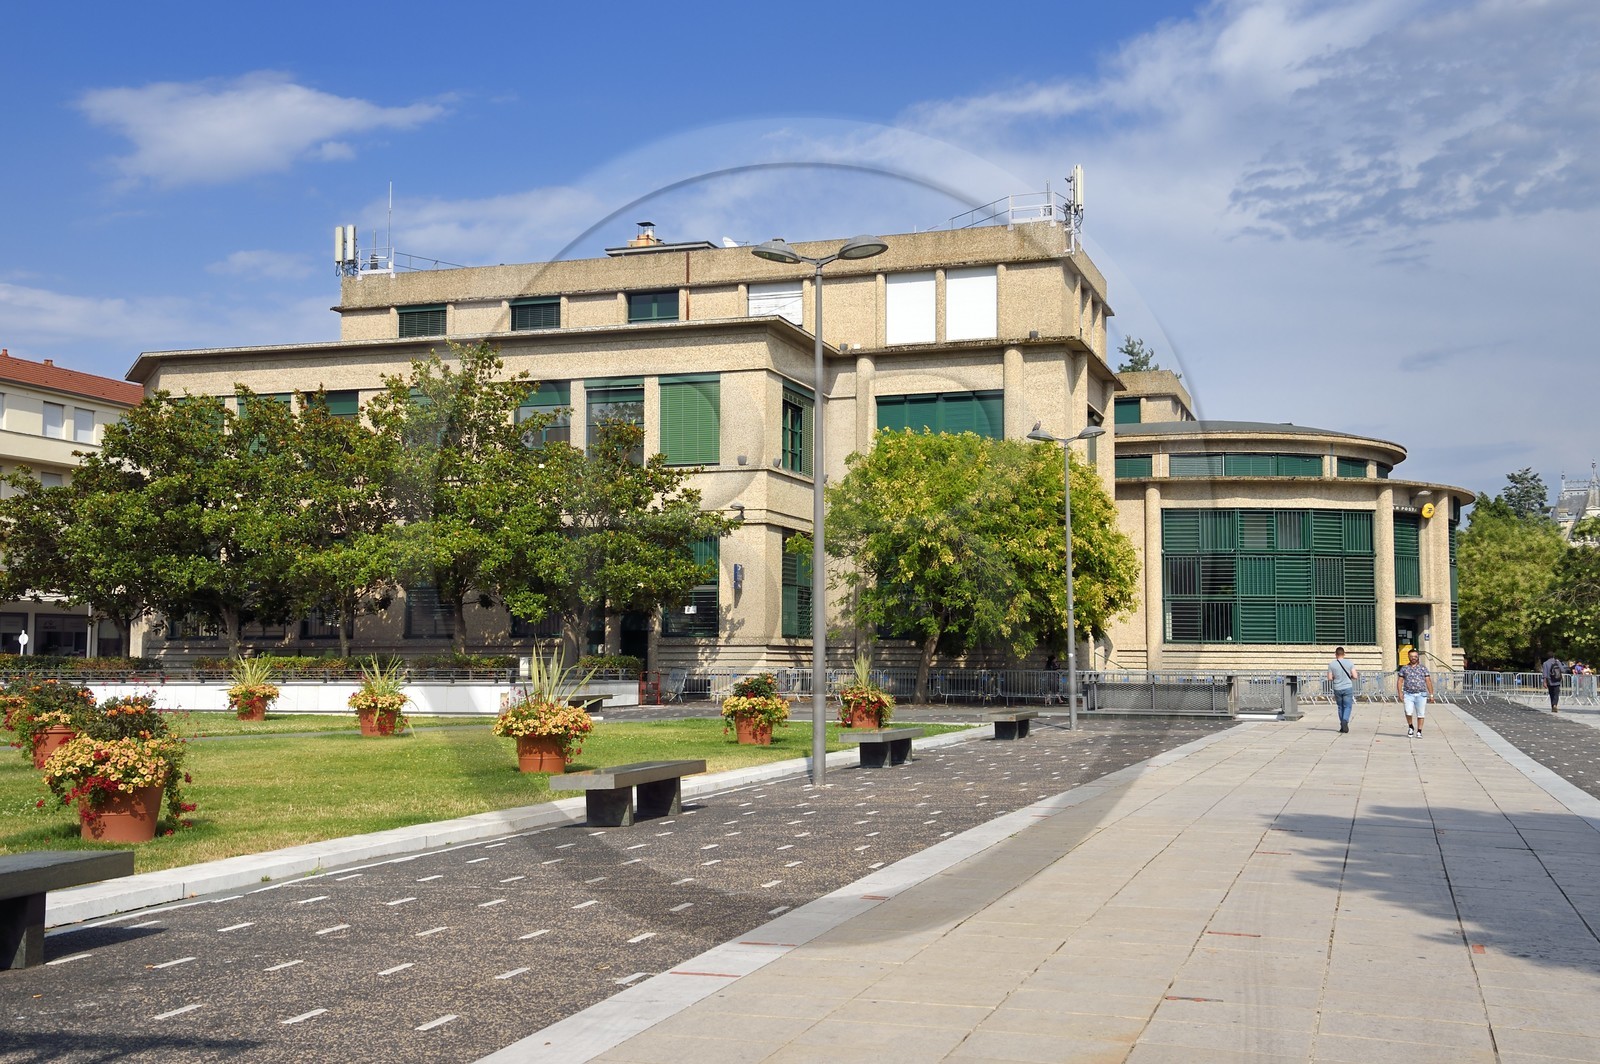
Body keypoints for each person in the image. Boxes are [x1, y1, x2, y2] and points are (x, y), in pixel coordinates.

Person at [1397, 649, 1434, 738]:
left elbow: (1428, 681)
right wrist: (1400, 693)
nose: (1413, 658)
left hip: (1421, 694)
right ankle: (1411, 727)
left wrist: (1431, 694)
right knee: (1408, 712)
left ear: (1418, 657)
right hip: (1408, 694)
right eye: (1412, 656)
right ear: (1408, 657)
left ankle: (1419, 731)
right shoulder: (1404, 668)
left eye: (1415, 656)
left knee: (1421, 713)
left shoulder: (1423, 668)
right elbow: (1400, 681)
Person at [1327, 647, 1358, 733]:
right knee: (1347, 706)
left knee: (1340, 707)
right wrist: (1350, 677)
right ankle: (1345, 721)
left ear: (1335, 654)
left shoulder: (1331, 664)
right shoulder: (1349, 663)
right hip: (1347, 687)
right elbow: (1355, 676)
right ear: (1344, 654)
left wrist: (1335, 677)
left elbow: (1329, 678)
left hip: (1337, 688)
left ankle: (1342, 725)